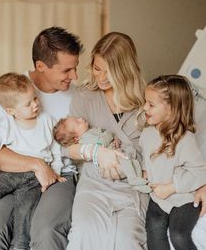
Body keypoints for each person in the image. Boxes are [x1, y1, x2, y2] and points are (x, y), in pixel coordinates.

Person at [0, 27, 84, 250]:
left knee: (43, 229)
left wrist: (49, 168)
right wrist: (36, 164)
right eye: (67, 70)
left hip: (58, 175)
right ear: (41, 66)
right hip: (12, 175)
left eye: (75, 68)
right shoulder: (12, 92)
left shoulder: (79, 96)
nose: (74, 76)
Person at [61, 31, 150, 250]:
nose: (101, 78)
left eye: (109, 72)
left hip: (132, 186)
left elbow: (159, 149)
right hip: (94, 184)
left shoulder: (146, 101)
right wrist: (96, 153)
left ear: (124, 70)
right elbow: (67, 148)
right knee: (83, 233)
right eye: (97, 68)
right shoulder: (83, 96)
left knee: (126, 239)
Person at [0, 72, 66, 250]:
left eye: (35, 99)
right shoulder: (3, 124)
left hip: (34, 179)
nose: (36, 104)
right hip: (8, 172)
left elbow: (55, 150)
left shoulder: (47, 121)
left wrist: (56, 172)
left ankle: (20, 246)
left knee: (25, 215)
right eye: (28, 104)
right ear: (10, 111)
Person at [141, 75, 206, 250]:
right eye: (145, 102)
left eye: (151, 104)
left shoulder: (186, 140)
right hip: (158, 198)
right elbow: (145, 159)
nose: (144, 107)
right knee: (153, 233)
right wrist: (144, 171)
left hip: (184, 197)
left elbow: (200, 172)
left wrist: (172, 187)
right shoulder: (146, 135)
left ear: (171, 110)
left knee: (178, 235)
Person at [53, 116, 151, 193]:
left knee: (131, 161)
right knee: (126, 162)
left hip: (115, 155)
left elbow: (107, 136)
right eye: (78, 122)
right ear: (76, 138)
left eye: (77, 118)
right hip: (108, 166)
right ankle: (135, 181)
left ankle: (138, 176)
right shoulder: (86, 139)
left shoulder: (90, 132)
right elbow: (103, 141)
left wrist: (115, 138)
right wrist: (111, 136)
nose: (81, 118)